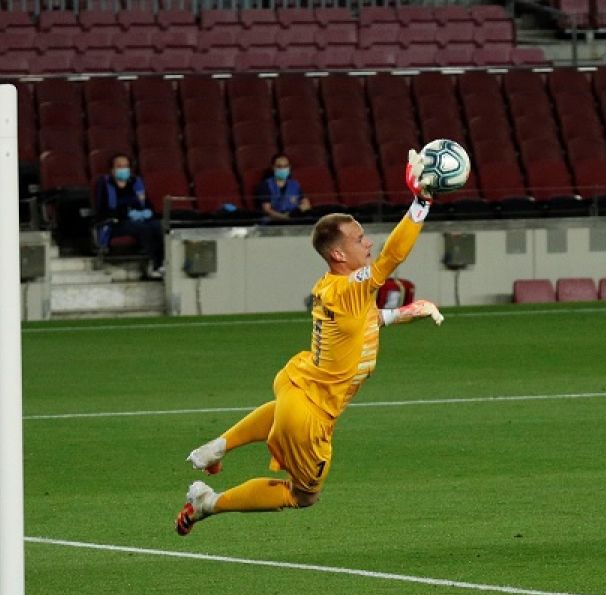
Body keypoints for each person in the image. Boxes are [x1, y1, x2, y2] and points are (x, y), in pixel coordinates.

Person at [175, 151, 442, 535]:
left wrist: (405, 313)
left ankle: (218, 446)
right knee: (303, 496)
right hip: (312, 414)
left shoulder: (334, 288)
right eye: (359, 239)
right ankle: (208, 503)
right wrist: (421, 202)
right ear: (337, 253)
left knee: (283, 411)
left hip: (298, 384)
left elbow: (362, 323)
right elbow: (392, 257)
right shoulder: (351, 287)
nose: (368, 244)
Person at [93, 153, 165, 279]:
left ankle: (161, 263)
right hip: (115, 223)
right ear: (112, 170)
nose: (123, 169)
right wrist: (126, 213)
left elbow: (147, 204)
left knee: (157, 225)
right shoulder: (105, 184)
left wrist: (147, 212)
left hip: (139, 219)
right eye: (119, 166)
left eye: (126, 166)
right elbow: (103, 210)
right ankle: (152, 264)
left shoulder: (135, 183)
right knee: (142, 227)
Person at [257, 153, 312, 222]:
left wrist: (296, 212)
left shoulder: (295, 184)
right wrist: (284, 218)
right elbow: (267, 210)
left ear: (289, 167)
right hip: (276, 220)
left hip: (294, 217)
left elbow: (306, 204)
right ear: (273, 167)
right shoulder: (265, 185)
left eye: (285, 166)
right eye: (279, 166)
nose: (283, 169)